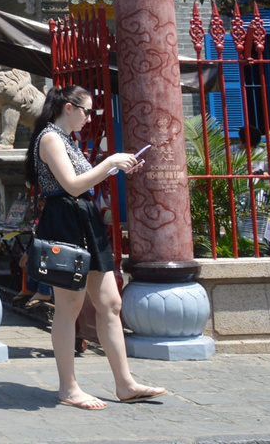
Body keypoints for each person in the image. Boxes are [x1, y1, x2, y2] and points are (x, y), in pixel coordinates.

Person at [26, 84, 166, 410]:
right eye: (86, 110)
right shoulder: (50, 138)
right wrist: (110, 162)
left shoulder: (65, 138)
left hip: (83, 219)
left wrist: (117, 166)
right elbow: (73, 187)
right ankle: (68, 387)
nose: (89, 117)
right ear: (69, 107)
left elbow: (84, 183)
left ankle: (125, 382)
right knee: (69, 307)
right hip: (64, 221)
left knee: (110, 303)